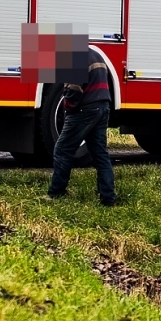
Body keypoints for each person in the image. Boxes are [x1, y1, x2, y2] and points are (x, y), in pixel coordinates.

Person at [46, 49, 116, 206]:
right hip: (103, 106)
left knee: (63, 149)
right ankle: (108, 197)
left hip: (85, 109)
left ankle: (56, 192)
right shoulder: (96, 55)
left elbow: (74, 89)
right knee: (100, 154)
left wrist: (68, 107)